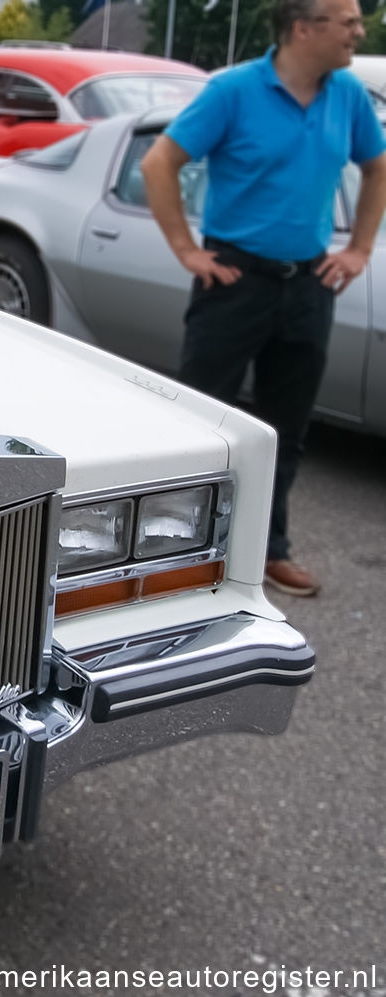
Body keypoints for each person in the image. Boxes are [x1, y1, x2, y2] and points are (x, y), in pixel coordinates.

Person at [140, 0, 386, 597]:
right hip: (234, 279)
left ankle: (268, 550)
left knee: (286, 428)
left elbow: (377, 168)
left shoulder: (348, 95)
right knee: (202, 419)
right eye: (348, 21)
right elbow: (160, 162)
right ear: (304, 28)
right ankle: (170, 549)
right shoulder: (234, 91)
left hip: (307, 285)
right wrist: (187, 250)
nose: (359, 29)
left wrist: (358, 249)